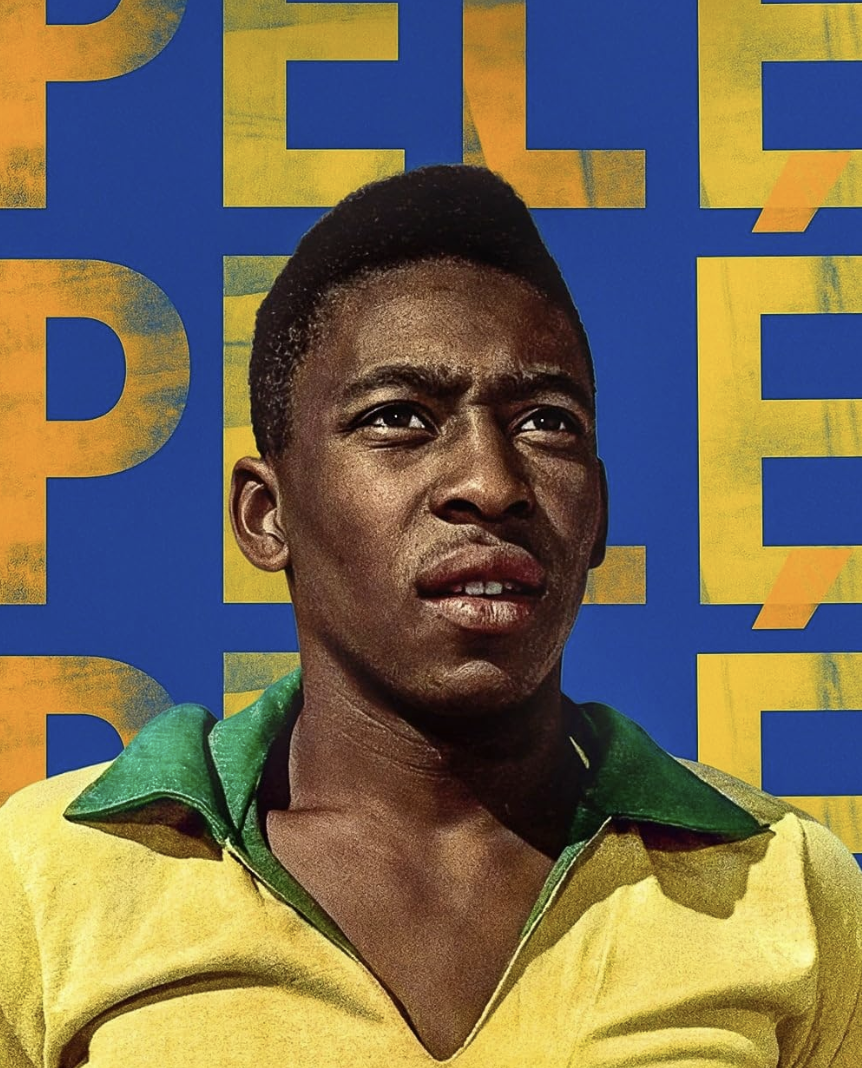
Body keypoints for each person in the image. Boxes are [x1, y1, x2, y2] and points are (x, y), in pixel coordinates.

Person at [0, 164, 859, 1067]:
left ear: (599, 514)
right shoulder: (48, 877)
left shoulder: (784, 886)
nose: (491, 483)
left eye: (547, 423)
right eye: (400, 417)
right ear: (267, 514)